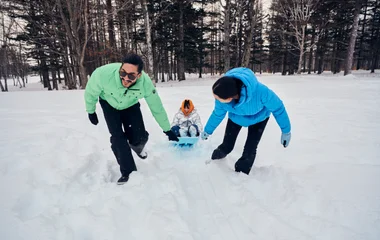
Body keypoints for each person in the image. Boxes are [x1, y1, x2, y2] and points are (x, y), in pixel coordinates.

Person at [84, 53, 179, 185]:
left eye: (131, 75)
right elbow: (90, 92)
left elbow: (156, 106)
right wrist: (91, 111)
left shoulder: (145, 83)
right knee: (118, 137)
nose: (125, 78)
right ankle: (128, 171)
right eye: (123, 73)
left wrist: (167, 129)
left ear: (139, 75)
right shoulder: (103, 75)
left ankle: (138, 146)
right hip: (109, 104)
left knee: (139, 137)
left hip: (130, 105)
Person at [201, 67, 291, 175]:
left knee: (250, 148)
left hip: (259, 119)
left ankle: (241, 176)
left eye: (219, 98)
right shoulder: (222, 97)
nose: (217, 100)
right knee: (227, 145)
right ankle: (215, 162)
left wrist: (286, 131)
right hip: (235, 118)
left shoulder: (261, 92)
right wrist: (208, 130)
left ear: (230, 97)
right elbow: (217, 114)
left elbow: (278, 109)